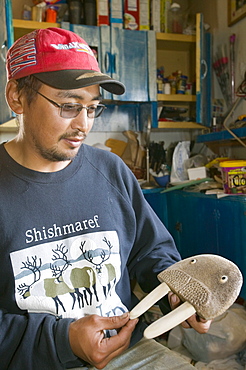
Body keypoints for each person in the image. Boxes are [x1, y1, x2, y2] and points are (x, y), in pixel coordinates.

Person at [0, 27, 211, 370]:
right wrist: (63, 340)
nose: (84, 125)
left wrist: (175, 290)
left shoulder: (110, 170)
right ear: (17, 97)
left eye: (93, 107)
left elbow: (151, 250)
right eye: (69, 106)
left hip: (130, 352)